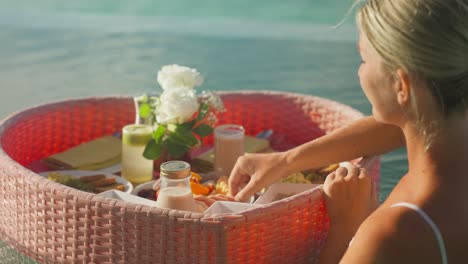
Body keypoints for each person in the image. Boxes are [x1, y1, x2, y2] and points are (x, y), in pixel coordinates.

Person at [228, 0, 468, 263]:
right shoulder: (445, 121)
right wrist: (286, 161)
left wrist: (347, 226)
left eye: (364, 60)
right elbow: (405, 124)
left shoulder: (391, 234)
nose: (359, 72)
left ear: (401, 85)